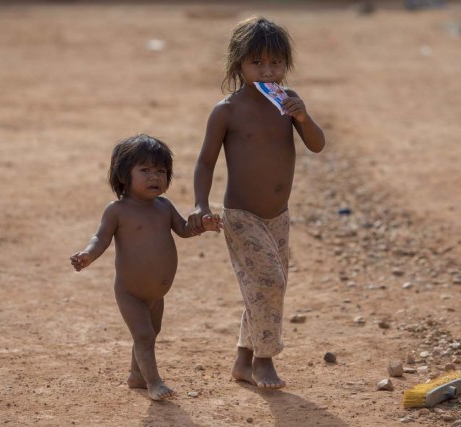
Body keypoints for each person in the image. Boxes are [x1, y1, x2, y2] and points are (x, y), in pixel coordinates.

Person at [188, 16, 325, 389]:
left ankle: (243, 360)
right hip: (242, 216)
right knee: (268, 282)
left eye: (276, 63)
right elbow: (205, 161)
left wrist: (303, 115)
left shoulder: (287, 104)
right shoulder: (227, 110)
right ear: (239, 64)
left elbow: (317, 144)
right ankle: (264, 361)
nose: (268, 70)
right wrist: (202, 204)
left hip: (278, 218)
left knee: (263, 287)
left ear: (286, 64)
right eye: (257, 63)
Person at [70, 134, 221, 400]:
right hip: (130, 292)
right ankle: (154, 383)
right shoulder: (118, 211)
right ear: (123, 177)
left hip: (156, 294)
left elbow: (184, 230)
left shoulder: (164, 206)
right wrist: (87, 255)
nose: (155, 177)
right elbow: (100, 238)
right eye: (146, 170)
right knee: (143, 335)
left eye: (161, 171)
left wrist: (202, 226)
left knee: (151, 333)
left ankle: (137, 375)